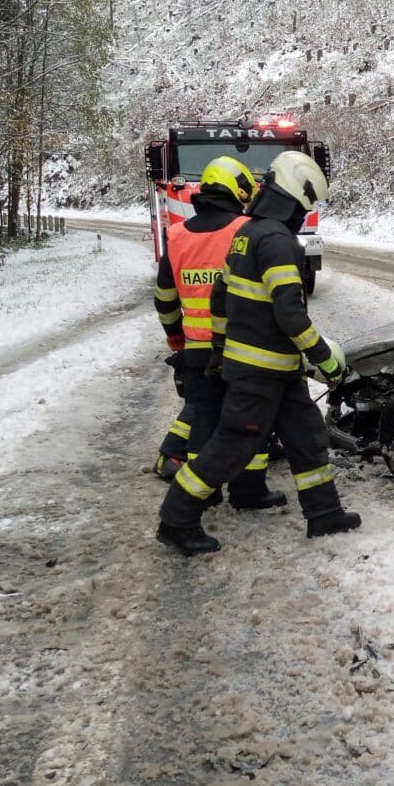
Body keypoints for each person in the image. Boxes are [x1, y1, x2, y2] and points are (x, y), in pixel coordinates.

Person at [156, 151, 360, 555]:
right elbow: (290, 313)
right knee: (231, 446)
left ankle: (324, 513)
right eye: (305, 205)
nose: (304, 214)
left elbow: (219, 296)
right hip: (260, 373)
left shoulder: (247, 234)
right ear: (292, 198)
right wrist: (324, 357)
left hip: (277, 371)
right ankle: (176, 519)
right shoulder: (278, 241)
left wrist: (219, 348)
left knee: (306, 437)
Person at [152, 156, 286, 521]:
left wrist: (176, 338)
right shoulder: (248, 230)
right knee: (251, 420)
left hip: (197, 351)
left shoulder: (177, 236)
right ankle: (249, 491)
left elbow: (164, 299)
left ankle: (202, 493)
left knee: (203, 420)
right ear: (238, 190)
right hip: (244, 349)